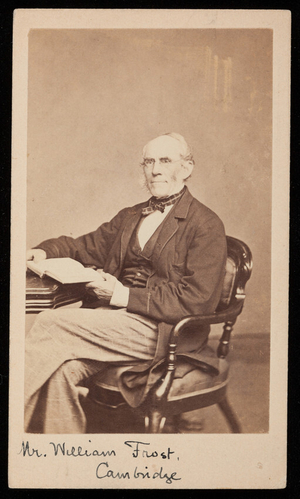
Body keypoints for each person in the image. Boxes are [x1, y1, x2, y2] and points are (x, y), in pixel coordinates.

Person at [25, 132, 227, 433]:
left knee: (50, 323)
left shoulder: (206, 225)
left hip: (165, 332)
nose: (155, 169)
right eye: (149, 161)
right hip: (118, 323)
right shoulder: (132, 216)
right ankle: (64, 457)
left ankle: (12, 426)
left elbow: (196, 299)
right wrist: (43, 251)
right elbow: (86, 245)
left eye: (165, 160)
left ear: (186, 169)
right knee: (60, 371)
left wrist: (120, 295)